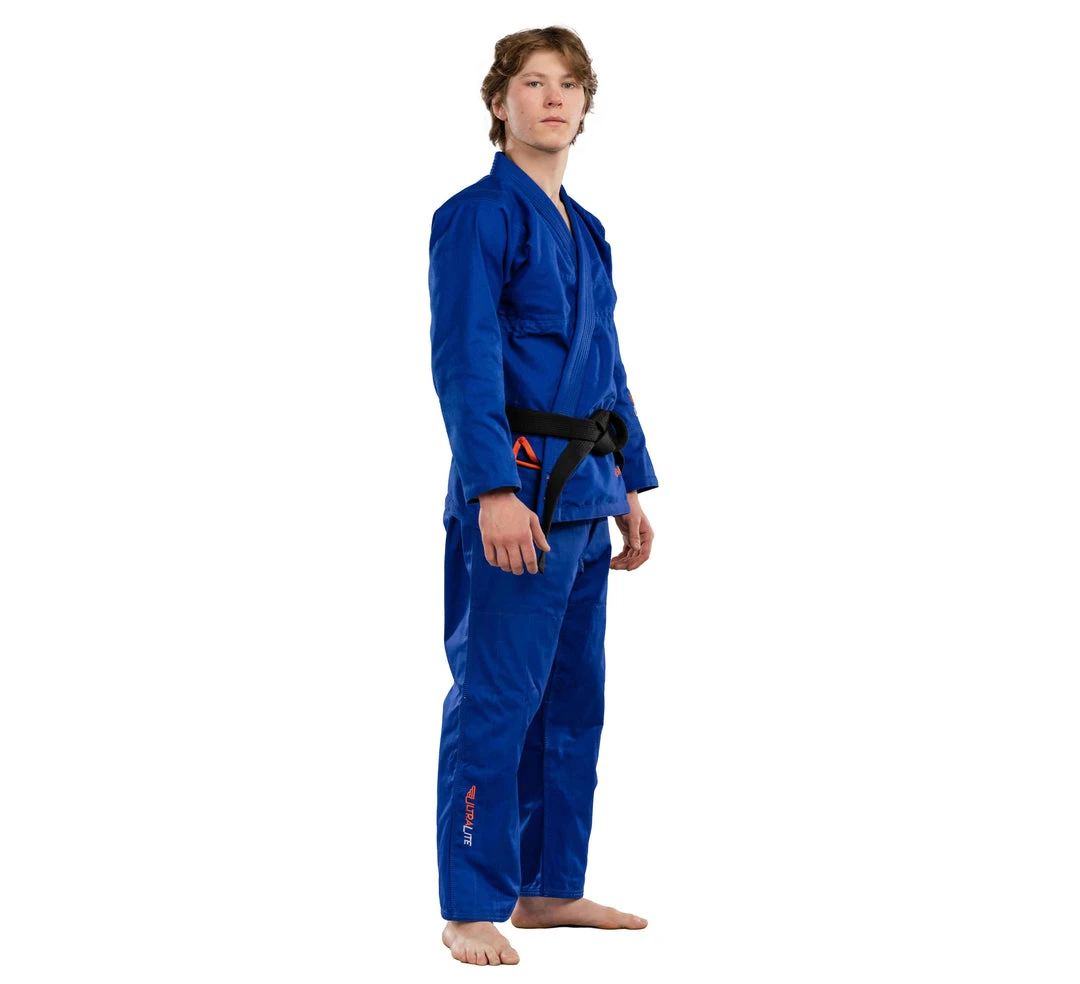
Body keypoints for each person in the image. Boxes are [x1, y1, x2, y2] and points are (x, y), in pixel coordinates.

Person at [428, 26, 660, 967]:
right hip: (515, 492)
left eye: (569, 83)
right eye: (532, 82)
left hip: (583, 494)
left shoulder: (588, 229)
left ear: (585, 104)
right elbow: (464, 360)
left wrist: (629, 482)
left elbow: (606, 367)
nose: (553, 97)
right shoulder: (476, 217)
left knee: (572, 699)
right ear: (500, 103)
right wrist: (490, 488)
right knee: (497, 696)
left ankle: (549, 886)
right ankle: (468, 902)